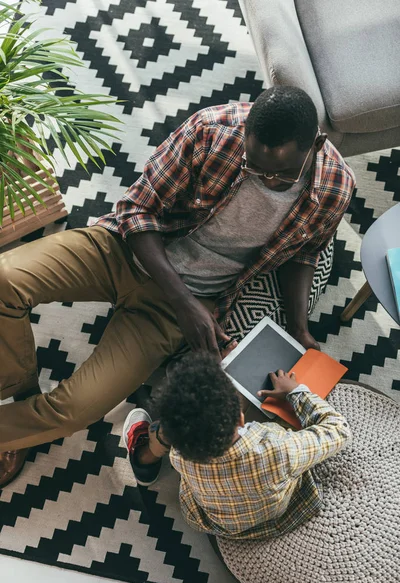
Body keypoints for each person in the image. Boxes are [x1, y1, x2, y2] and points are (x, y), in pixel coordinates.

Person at [0, 86, 355, 488]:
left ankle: (14, 431)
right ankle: (19, 389)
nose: (268, 180)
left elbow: (305, 253)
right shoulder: (210, 131)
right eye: (255, 168)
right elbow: (137, 209)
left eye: (282, 175)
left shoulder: (335, 187)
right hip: (120, 251)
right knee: (4, 279)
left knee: (77, 408)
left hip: (172, 312)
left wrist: (300, 328)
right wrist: (185, 302)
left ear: (317, 144)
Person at [123, 352, 352, 539]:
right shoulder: (279, 449)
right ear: (242, 419)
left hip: (221, 524)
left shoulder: (180, 457)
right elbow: (339, 430)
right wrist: (294, 392)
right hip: (284, 512)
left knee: (190, 488)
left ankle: (151, 446)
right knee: (285, 432)